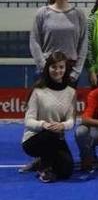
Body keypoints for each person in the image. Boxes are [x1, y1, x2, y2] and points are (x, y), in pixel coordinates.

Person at [21, 51, 77, 182]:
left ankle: (42, 162)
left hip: (57, 137)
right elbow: (28, 121)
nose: (57, 70)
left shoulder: (71, 92)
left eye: (61, 67)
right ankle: (45, 169)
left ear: (65, 68)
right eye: (54, 67)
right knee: (50, 135)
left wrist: (62, 125)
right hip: (34, 139)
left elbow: (71, 120)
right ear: (48, 68)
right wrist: (44, 125)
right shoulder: (38, 91)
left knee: (67, 171)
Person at [30, 0, 88, 86]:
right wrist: (43, 67)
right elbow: (34, 41)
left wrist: (76, 71)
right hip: (48, 68)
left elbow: (83, 44)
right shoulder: (42, 13)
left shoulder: (79, 14)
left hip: (70, 70)